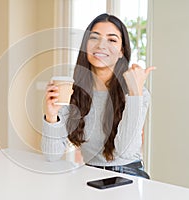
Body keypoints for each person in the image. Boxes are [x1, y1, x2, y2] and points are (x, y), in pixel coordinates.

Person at [41, 13, 155, 179]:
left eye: (112, 40)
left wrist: (134, 94)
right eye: (94, 38)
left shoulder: (137, 92)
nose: (101, 45)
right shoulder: (74, 91)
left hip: (128, 175)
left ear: (122, 51)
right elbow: (52, 155)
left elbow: (125, 151)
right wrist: (51, 116)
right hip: (90, 176)